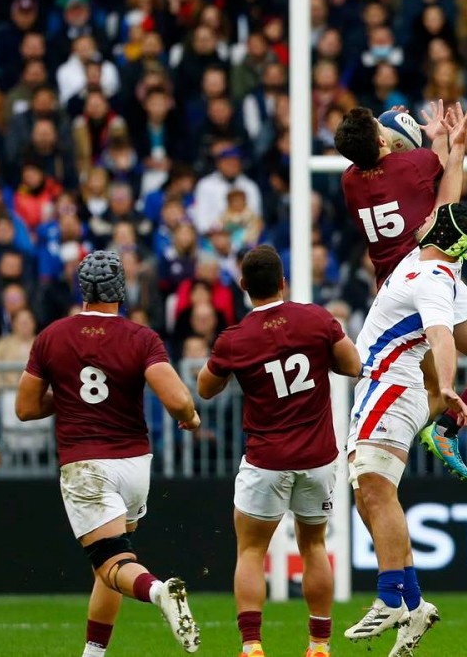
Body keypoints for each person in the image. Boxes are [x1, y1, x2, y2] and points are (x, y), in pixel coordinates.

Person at [15, 251, 203, 656]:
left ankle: (157, 591)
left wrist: (64, 394)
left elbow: (25, 408)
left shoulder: (52, 336)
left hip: (87, 464)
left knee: (111, 562)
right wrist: (189, 418)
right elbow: (178, 400)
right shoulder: (141, 337)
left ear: (82, 289)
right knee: (114, 560)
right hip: (136, 465)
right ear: (122, 290)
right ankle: (94, 653)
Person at [335, 101, 467, 481]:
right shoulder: (410, 166)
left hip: (393, 288)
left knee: (430, 392)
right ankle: (444, 429)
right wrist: (447, 141)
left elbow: (430, 198)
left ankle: (381, 451)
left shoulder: (350, 181)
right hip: (426, 272)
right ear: (381, 142)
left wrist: (434, 144)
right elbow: (444, 204)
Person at [196, 246, 362, 657]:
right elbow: (353, 364)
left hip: (266, 459)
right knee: (314, 547)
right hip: (318, 457)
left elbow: (205, 388)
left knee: (251, 551)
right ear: (283, 281)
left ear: (244, 286)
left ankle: (252, 645)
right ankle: (319, 645)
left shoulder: (235, 340)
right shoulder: (317, 319)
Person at [342, 203, 467, 655]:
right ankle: (415, 602)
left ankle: (389, 599)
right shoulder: (425, 261)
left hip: (391, 386)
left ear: (441, 231)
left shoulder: (434, 280)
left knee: (375, 491)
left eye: (431, 218)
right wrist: (449, 147)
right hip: (383, 388)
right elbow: (450, 202)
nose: (421, 219)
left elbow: (442, 337)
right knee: (369, 495)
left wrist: (447, 386)